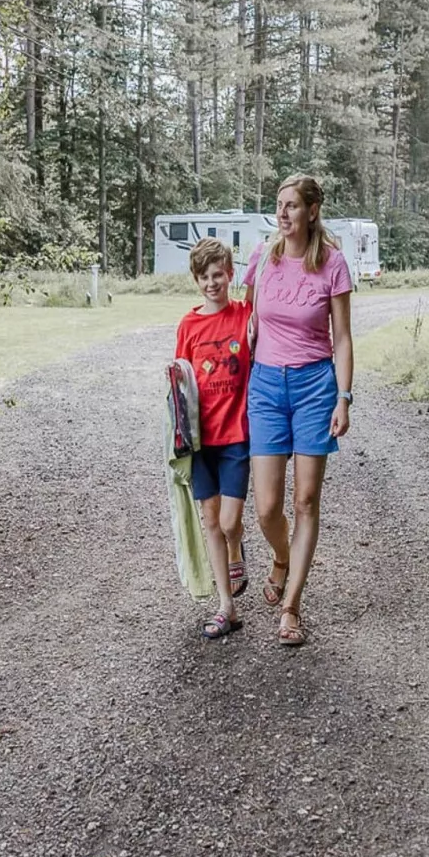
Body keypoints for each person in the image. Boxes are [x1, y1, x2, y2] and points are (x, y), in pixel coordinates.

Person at [244, 175, 354, 648]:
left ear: (312, 211)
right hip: (266, 387)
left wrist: (344, 397)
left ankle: (291, 607)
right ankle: (283, 557)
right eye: (279, 205)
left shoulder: (333, 264)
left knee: (306, 501)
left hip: (314, 387)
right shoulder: (262, 261)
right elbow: (245, 320)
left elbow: (343, 338)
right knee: (267, 507)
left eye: (292, 206)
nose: (283, 214)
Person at [174, 238, 253, 639]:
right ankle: (227, 606)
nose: (211, 283)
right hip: (201, 440)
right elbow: (181, 381)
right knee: (211, 520)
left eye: (218, 275)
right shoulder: (189, 325)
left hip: (237, 434)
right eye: (204, 277)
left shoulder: (243, 315)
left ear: (230, 274)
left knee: (229, 520)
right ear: (196, 279)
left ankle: (238, 547)